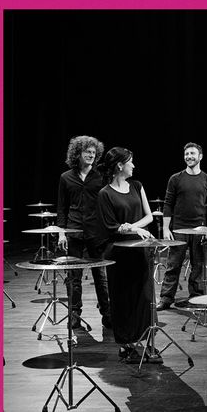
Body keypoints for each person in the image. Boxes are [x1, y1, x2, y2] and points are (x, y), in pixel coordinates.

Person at [93, 147, 156, 363]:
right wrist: (129, 229)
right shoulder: (105, 194)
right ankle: (125, 345)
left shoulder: (137, 186)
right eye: (131, 162)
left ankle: (147, 340)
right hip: (119, 252)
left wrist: (134, 228)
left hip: (139, 248)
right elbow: (111, 226)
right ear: (120, 165)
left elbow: (149, 217)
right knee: (123, 298)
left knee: (144, 296)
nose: (134, 166)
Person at [55, 135, 111, 331]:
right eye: (87, 152)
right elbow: (62, 208)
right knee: (73, 276)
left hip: (97, 232)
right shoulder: (66, 177)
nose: (91, 155)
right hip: (75, 230)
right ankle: (74, 314)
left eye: (94, 153)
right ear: (77, 153)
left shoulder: (101, 176)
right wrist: (62, 233)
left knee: (101, 276)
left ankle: (107, 314)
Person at [156, 142, 207, 310]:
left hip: (199, 229)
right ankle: (166, 298)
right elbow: (168, 204)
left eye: (192, 153)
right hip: (179, 229)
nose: (189, 156)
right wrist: (167, 228)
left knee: (198, 265)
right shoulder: (176, 178)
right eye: (186, 154)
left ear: (200, 156)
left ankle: (196, 297)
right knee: (173, 265)